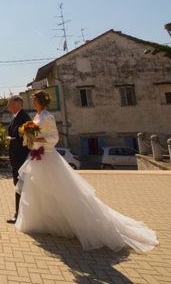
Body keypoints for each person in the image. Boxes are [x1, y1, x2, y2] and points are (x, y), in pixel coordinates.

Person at [15, 91, 158, 252]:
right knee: (39, 191)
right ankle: (43, 223)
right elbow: (36, 134)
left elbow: (54, 138)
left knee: (61, 191)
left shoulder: (48, 117)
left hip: (48, 158)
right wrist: (29, 136)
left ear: (40, 101)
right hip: (37, 157)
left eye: (34, 100)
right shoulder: (36, 117)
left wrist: (36, 139)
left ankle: (73, 223)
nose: (32, 102)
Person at [6, 95, 31, 224]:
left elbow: (29, 138)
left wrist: (12, 140)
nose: (8, 106)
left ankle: (19, 215)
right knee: (18, 186)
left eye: (9, 103)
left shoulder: (25, 118)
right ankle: (20, 214)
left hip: (21, 158)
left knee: (20, 186)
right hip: (16, 158)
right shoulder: (15, 117)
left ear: (17, 104)